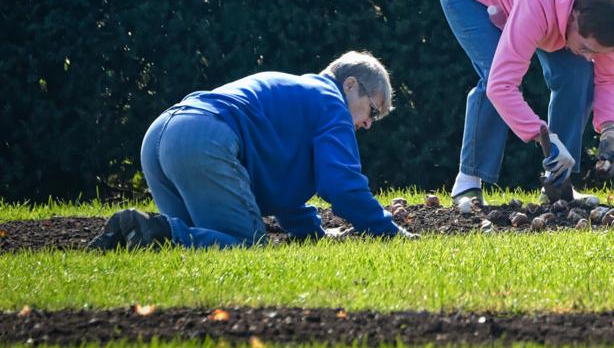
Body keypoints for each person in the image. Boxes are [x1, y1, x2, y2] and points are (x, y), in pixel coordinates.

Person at [88, 50, 416, 250]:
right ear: (350, 84)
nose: (370, 124)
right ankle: (151, 231)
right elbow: (341, 185)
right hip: (204, 138)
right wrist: (387, 230)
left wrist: (311, 234)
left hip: (161, 136)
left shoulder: (303, 95)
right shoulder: (331, 103)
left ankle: (134, 231)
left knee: (201, 240)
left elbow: (284, 192)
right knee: (245, 244)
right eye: (373, 110)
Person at [438, 0, 614, 207]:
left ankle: (558, 186)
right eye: (587, 47)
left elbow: (608, 79)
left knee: (578, 74)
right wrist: (545, 138)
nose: (590, 55)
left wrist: (610, 130)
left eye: (597, 52)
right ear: (574, 17)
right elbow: (500, 86)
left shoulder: (608, 18)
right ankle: (467, 182)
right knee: (496, 73)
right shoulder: (537, 4)